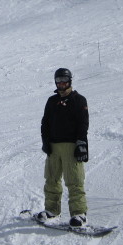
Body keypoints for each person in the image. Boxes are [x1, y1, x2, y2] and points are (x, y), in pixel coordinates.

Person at [38, 68, 89, 227]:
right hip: (53, 146)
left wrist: (81, 144)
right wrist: (45, 141)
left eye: (64, 80)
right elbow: (45, 123)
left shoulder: (78, 100)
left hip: (71, 146)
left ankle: (79, 213)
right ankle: (52, 210)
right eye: (58, 80)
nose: (61, 83)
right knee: (51, 179)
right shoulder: (51, 101)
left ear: (70, 81)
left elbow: (83, 123)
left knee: (74, 180)